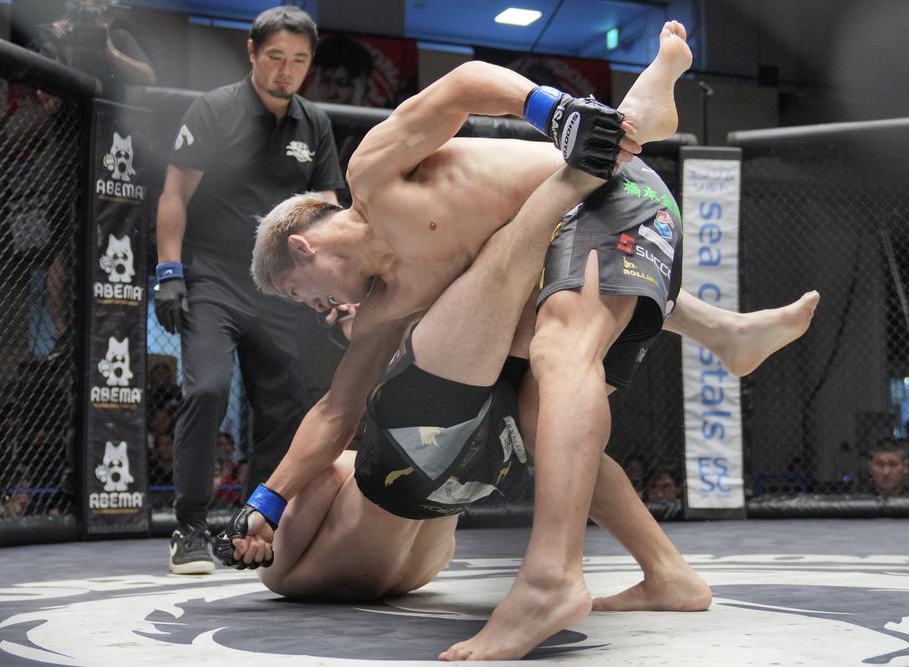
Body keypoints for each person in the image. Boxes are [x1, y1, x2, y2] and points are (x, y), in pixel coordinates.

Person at [225, 21, 818, 658]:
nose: (315, 307)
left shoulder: (372, 174)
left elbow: (462, 85)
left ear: (302, 247)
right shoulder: (385, 305)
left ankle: (550, 580)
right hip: (592, 242)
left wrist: (550, 110)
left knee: (559, 350)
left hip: (607, 190)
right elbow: (335, 411)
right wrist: (268, 499)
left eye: (299, 292)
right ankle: (669, 569)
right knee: (545, 422)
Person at [153, 5, 344, 575]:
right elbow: (174, 194)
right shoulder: (214, 110)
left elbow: (328, 211)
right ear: (253, 53)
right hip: (213, 276)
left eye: (299, 60)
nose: (287, 70)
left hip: (281, 288)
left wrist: (336, 284)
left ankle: (251, 529)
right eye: (276, 57)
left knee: (284, 407)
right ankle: (189, 527)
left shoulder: (315, 123)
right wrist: (169, 271)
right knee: (207, 388)